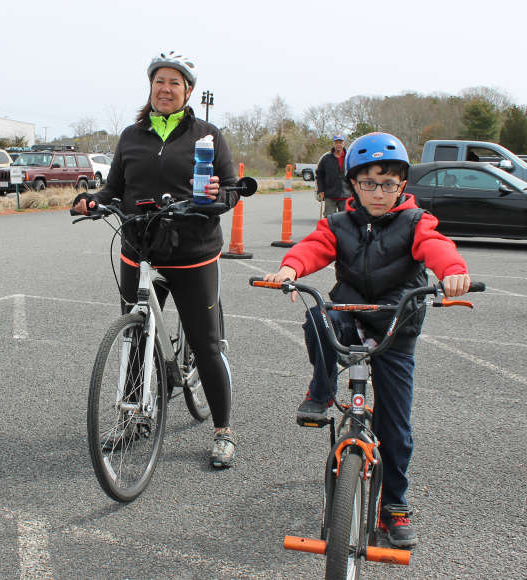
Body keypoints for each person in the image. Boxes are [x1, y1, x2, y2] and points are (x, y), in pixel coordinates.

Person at [264, 132, 471, 546]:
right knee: (316, 317)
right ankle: (322, 391)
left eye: (389, 183)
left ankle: (394, 504)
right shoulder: (338, 224)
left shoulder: (416, 222)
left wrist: (452, 272)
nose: (379, 192)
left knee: (396, 426)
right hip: (350, 316)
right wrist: (290, 270)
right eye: (369, 183)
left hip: (396, 326)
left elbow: (436, 246)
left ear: (402, 185)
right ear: (353, 185)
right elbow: (312, 248)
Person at [73, 51, 241, 468]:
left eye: (175, 83)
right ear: (150, 87)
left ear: (188, 91)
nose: (166, 89)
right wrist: (92, 202)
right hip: (139, 249)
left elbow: (233, 190)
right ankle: (132, 418)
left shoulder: (208, 135)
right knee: (134, 337)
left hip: (192, 254)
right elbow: (113, 188)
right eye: (159, 81)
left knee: (205, 344)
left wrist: (216, 197)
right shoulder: (132, 135)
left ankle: (223, 430)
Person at [316, 135, 351, 215]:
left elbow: (354, 175)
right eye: (336, 142)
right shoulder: (326, 158)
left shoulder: (349, 158)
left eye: (340, 142)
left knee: (346, 220)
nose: (338, 144)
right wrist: (320, 190)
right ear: (333, 144)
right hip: (330, 195)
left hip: (346, 195)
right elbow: (319, 175)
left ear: (344, 144)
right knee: (329, 220)